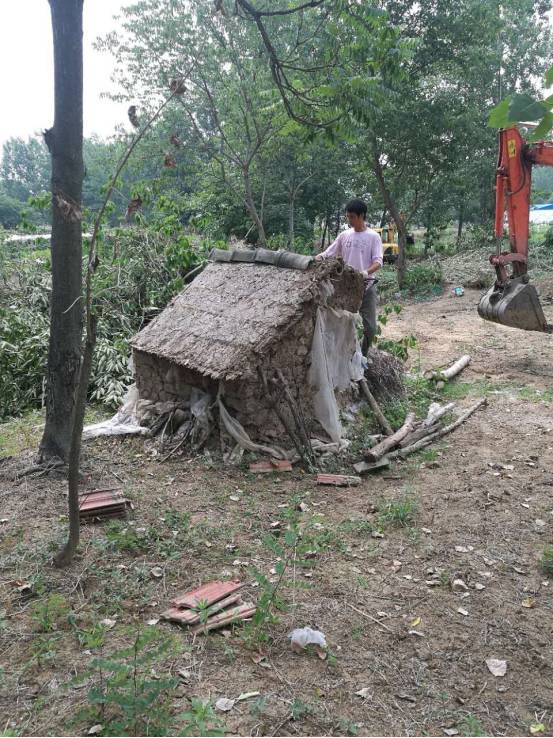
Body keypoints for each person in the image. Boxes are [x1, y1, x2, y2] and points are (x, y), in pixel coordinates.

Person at [316, 198, 383, 354]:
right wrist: (314, 260)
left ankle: (364, 355)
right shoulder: (344, 235)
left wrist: (364, 273)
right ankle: (343, 354)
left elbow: (378, 262)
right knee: (341, 323)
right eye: (348, 217)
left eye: (352, 217)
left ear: (361, 216)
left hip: (367, 286)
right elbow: (328, 253)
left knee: (370, 327)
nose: (349, 220)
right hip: (346, 288)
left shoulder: (373, 237)